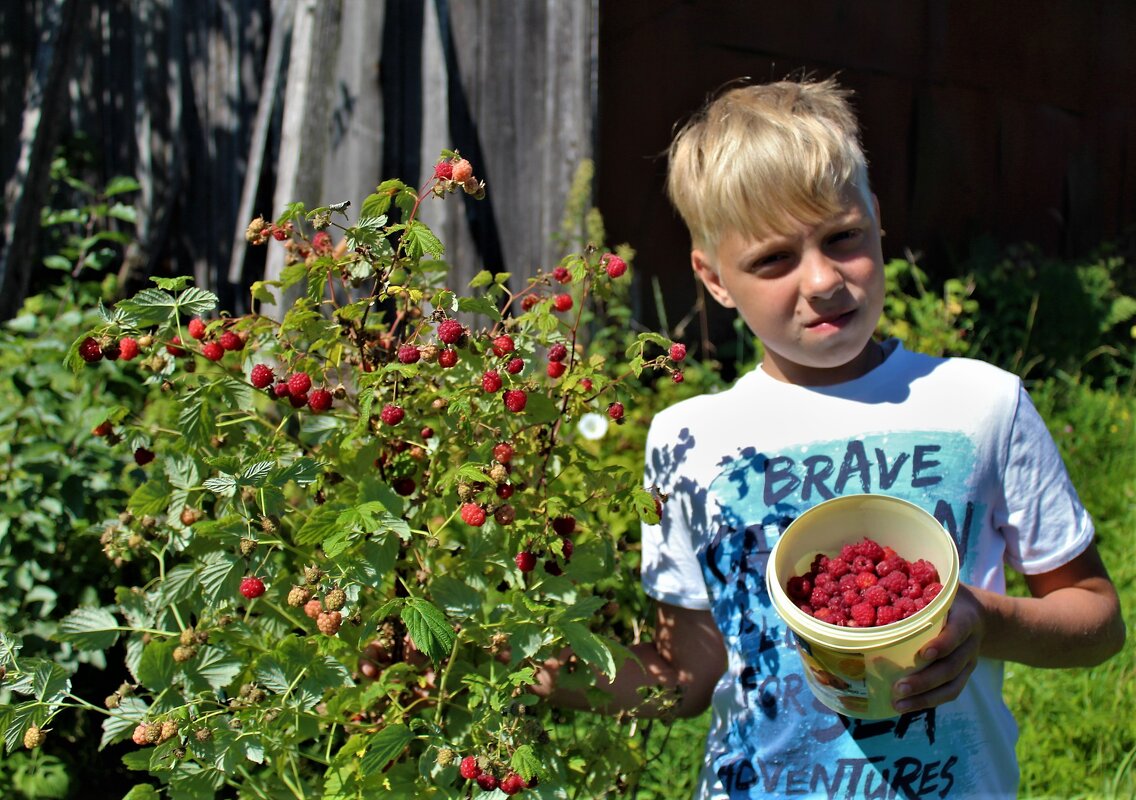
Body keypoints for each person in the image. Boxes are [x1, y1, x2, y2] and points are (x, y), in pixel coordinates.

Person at [533, 77, 1126, 799]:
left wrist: (984, 621)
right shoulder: (687, 442)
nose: (821, 280)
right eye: (773, 259)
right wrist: (524, 661)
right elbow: (683, 675)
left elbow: (1096, 620)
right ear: (713, 277)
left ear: (877, 218)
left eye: (843, 238)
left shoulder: (980, 404)